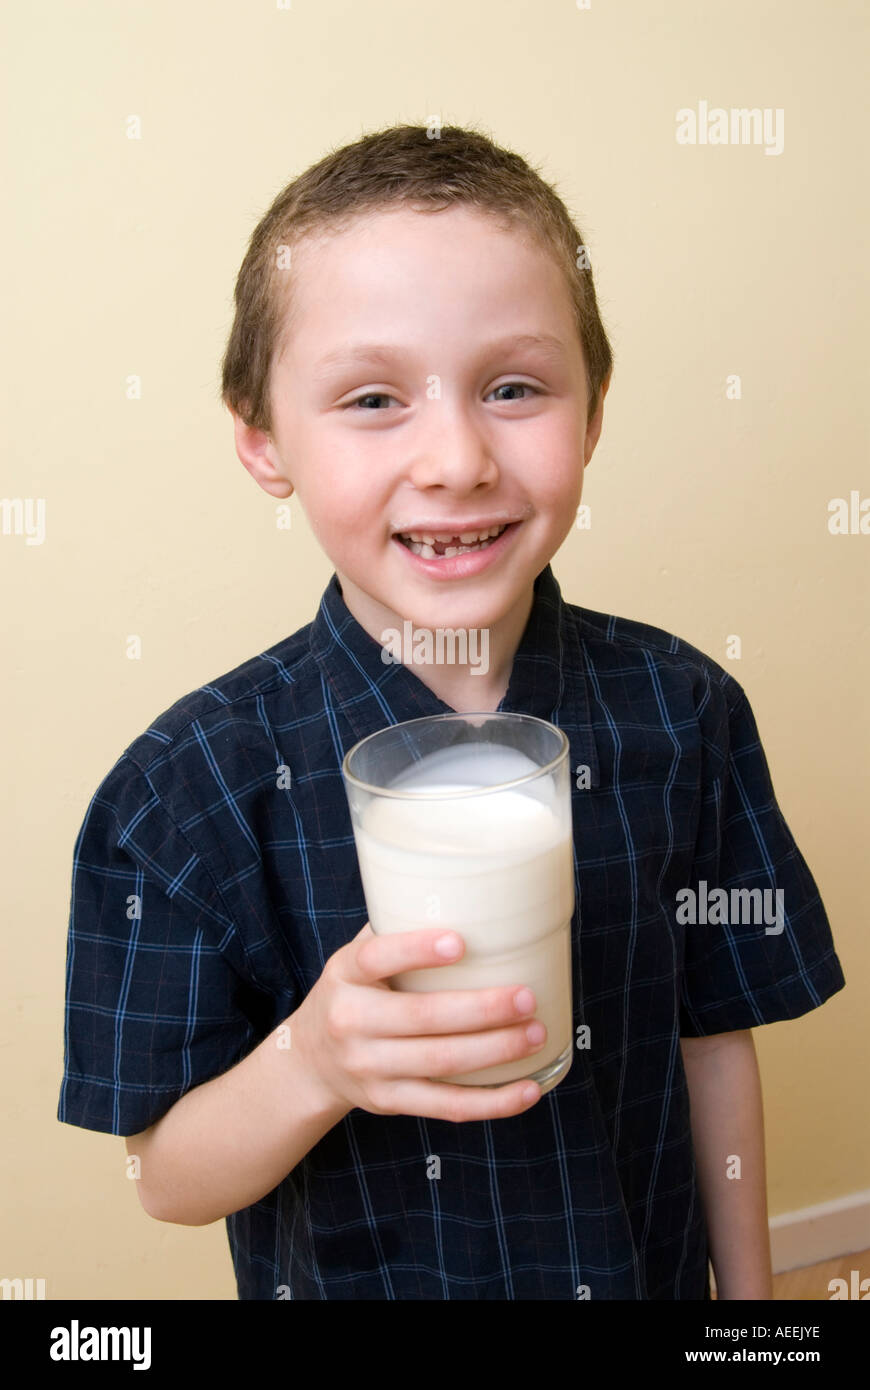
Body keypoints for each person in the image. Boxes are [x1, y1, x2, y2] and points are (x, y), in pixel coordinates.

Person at [57, 123, 845, 1300]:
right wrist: (316, 1061)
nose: (457, 457)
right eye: (373, 398)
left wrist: (751, 1309)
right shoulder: (184, 790)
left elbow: (714, 1040)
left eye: (514, 387)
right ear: (263, 438)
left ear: (595, 406)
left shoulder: (685, 715)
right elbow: (167, 1176)